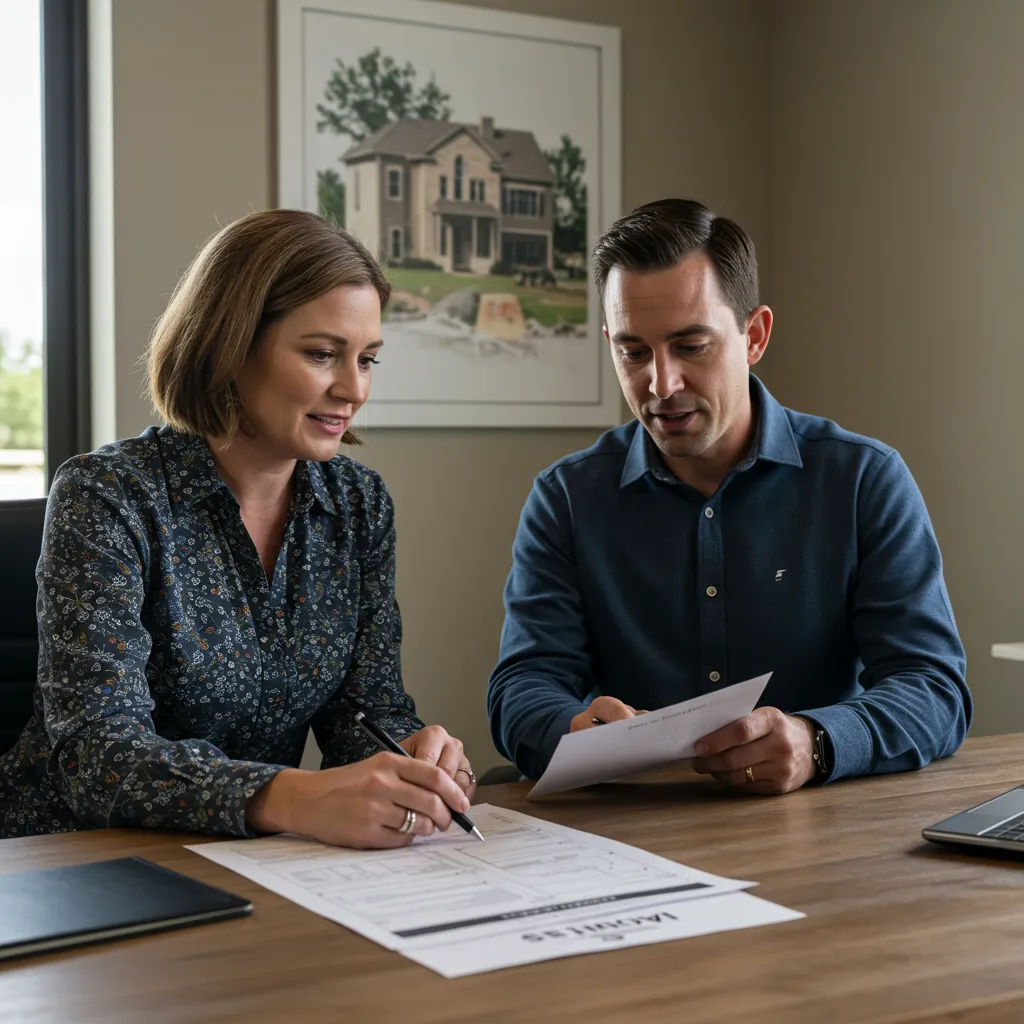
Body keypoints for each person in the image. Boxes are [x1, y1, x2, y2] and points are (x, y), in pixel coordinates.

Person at [0, 209, 475, 846]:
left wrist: (413, 758)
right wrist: (290, 795)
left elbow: (361, 714)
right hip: (76, 858)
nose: (352, 388)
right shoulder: (107, 495)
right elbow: (97, 756)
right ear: (230, 345)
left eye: (367, 360)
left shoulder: (359, 504)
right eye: (321, 354)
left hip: (254, 857)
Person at [487, 198, 970, 793]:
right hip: (632, 830)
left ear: (755, 335)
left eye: (692, 346)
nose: (661, 384)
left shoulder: (863, 480)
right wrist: (573, 727)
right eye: (633, 352)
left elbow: (933, 689)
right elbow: (522, 687)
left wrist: (818, 742)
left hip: (819, 826)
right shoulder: (566, 497)